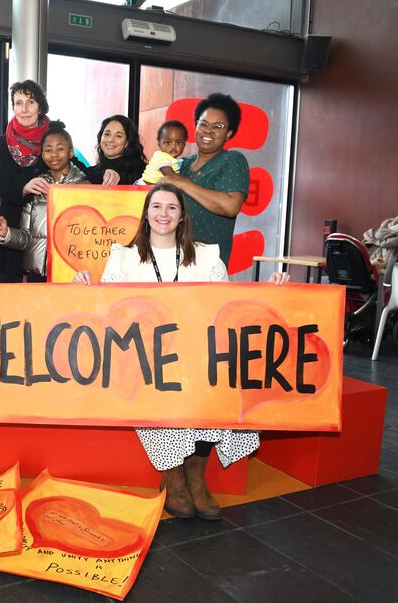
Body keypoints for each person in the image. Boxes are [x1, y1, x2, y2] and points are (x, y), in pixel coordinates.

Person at [73, 183, 288, 520]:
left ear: (182, 216)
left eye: (171, 208)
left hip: (197, 355)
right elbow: (108, 307)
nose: (163, 214)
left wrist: (271, 293)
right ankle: (173, 478)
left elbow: (229, 306)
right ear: (145, 214)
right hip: (146, 360)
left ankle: (196, 477)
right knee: (159, 392)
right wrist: (86, 290)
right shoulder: (124, 256)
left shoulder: (205, 254)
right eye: (156, 206)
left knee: (213, 389)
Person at [0, 81, 120, 283]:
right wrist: (24, 188)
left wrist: (107, 172)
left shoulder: (53, 139)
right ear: (12, 107)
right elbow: (2, 187)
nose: (24, 109)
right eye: (18, 103)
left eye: (30, 102)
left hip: (51, 237)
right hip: (11, 232)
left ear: (40, 106)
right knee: (9, 305)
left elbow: (80, 169)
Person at [160, 93, 249, 267]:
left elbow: (230, 206)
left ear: (229, 134)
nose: (208, 130)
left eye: (218, 126)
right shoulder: (181, 164)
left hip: (207, 266)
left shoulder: (232, 160)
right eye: (203, 124)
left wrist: (182, 183)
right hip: (170, 263)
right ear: (196, 127)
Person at [0, 121, 90, 282]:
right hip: (36, 275)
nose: (53, 154)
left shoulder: (86, 188)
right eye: (48, 150)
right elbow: (26, 238)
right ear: (42, 154)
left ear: (71, 152)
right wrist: (6, 233)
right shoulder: (36, 187)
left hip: (72, 275)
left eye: (60, 148)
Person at [84, 114, 148, 186]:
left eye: (118, 136)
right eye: (107, 134)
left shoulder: (143, 173)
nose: (110, 139)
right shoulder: (89, 173)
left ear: (127, 142)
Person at [138, 120, 188, 184]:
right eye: (168, 142)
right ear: (159, 145)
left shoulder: (177, 161)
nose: (173, 146)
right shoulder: (161, 157)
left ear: (184, 145)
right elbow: (170, 175)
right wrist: (188, 181)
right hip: (142, 186)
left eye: (178, 143)